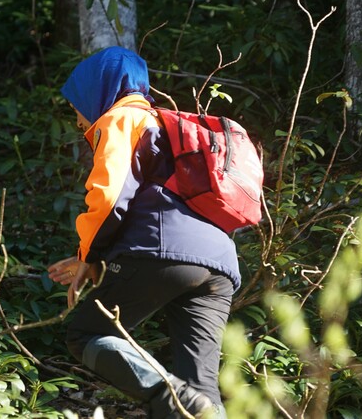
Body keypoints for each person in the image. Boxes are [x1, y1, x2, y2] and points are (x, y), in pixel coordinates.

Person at [48, 46, 239, 418]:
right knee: (201, 391)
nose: (76, 117)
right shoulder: (171, 126)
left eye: (75, 105)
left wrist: (88, 256)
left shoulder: (121, 118)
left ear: (95, 90)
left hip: (163, 250)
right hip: (219, 265)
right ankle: (190, 403)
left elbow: (110, 196)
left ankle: (176, 398)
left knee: (86, 334)